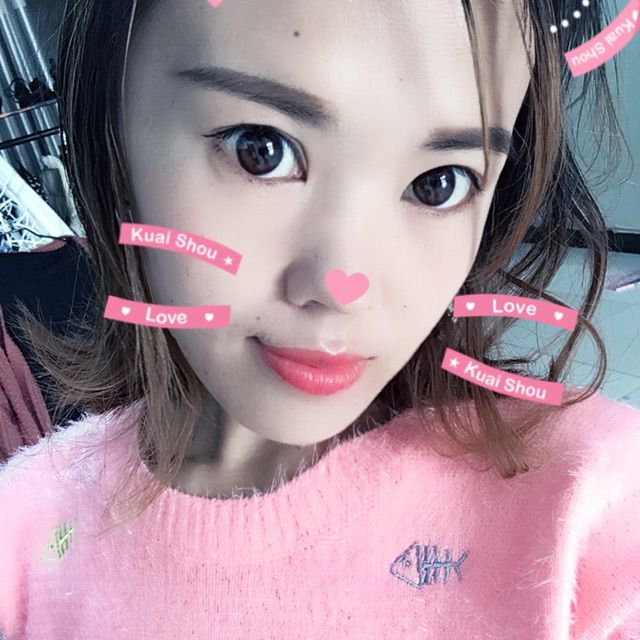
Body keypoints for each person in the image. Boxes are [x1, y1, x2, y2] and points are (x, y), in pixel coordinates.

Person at [0, 0, 638, 637]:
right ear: (110, 132)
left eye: (439, 183)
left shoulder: (589, 508)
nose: (343, 287)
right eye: (261, 151)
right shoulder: (26, 537)